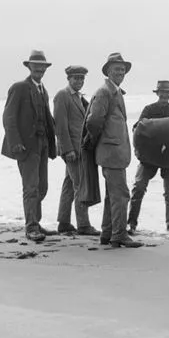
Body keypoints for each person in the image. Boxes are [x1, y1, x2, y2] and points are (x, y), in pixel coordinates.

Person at [83, 52, 143, 248]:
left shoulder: (114, 91)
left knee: (113, 195)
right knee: (121, 195)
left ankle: (108, 233)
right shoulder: (105, 92)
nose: (120, 72)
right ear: (108, 70)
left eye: (123, 69)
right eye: (117, 69)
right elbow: (93, 121)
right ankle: (119, 234)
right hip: (111, 153)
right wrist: (98, 140)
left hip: (113, 153)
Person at [1, 49, 58, 243]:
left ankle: (36, 221)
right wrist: (15, 143)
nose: (39, 69)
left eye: (42, 66)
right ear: (29, 67)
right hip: (26, 147)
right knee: (31, 188)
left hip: (42, 145)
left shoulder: (44, 90)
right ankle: (31, 227)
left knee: (42, 187)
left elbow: (49, 119)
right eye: (36, 66)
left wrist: (59, 139)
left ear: (45, 69)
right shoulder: (19, 88)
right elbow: (8, 117)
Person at [128, 80, 169, 235]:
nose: (165, 94)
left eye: (168, 92)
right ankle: (131, 224)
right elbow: (137, 128)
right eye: (163, 92)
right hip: (149, 156)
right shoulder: (149, 109)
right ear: (157, 93)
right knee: (138, 188)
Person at [53, 65, 101, 236]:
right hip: (71, 150)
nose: (79, 81)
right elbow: (60, 125)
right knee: (80, 185)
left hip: (78, 149)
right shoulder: (62, 96)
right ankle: (83, 225)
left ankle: (64, 222)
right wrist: (67, 150)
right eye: (76, 78)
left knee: (69, 185)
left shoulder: (79, 98)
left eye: (82, 78)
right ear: (69, 79)